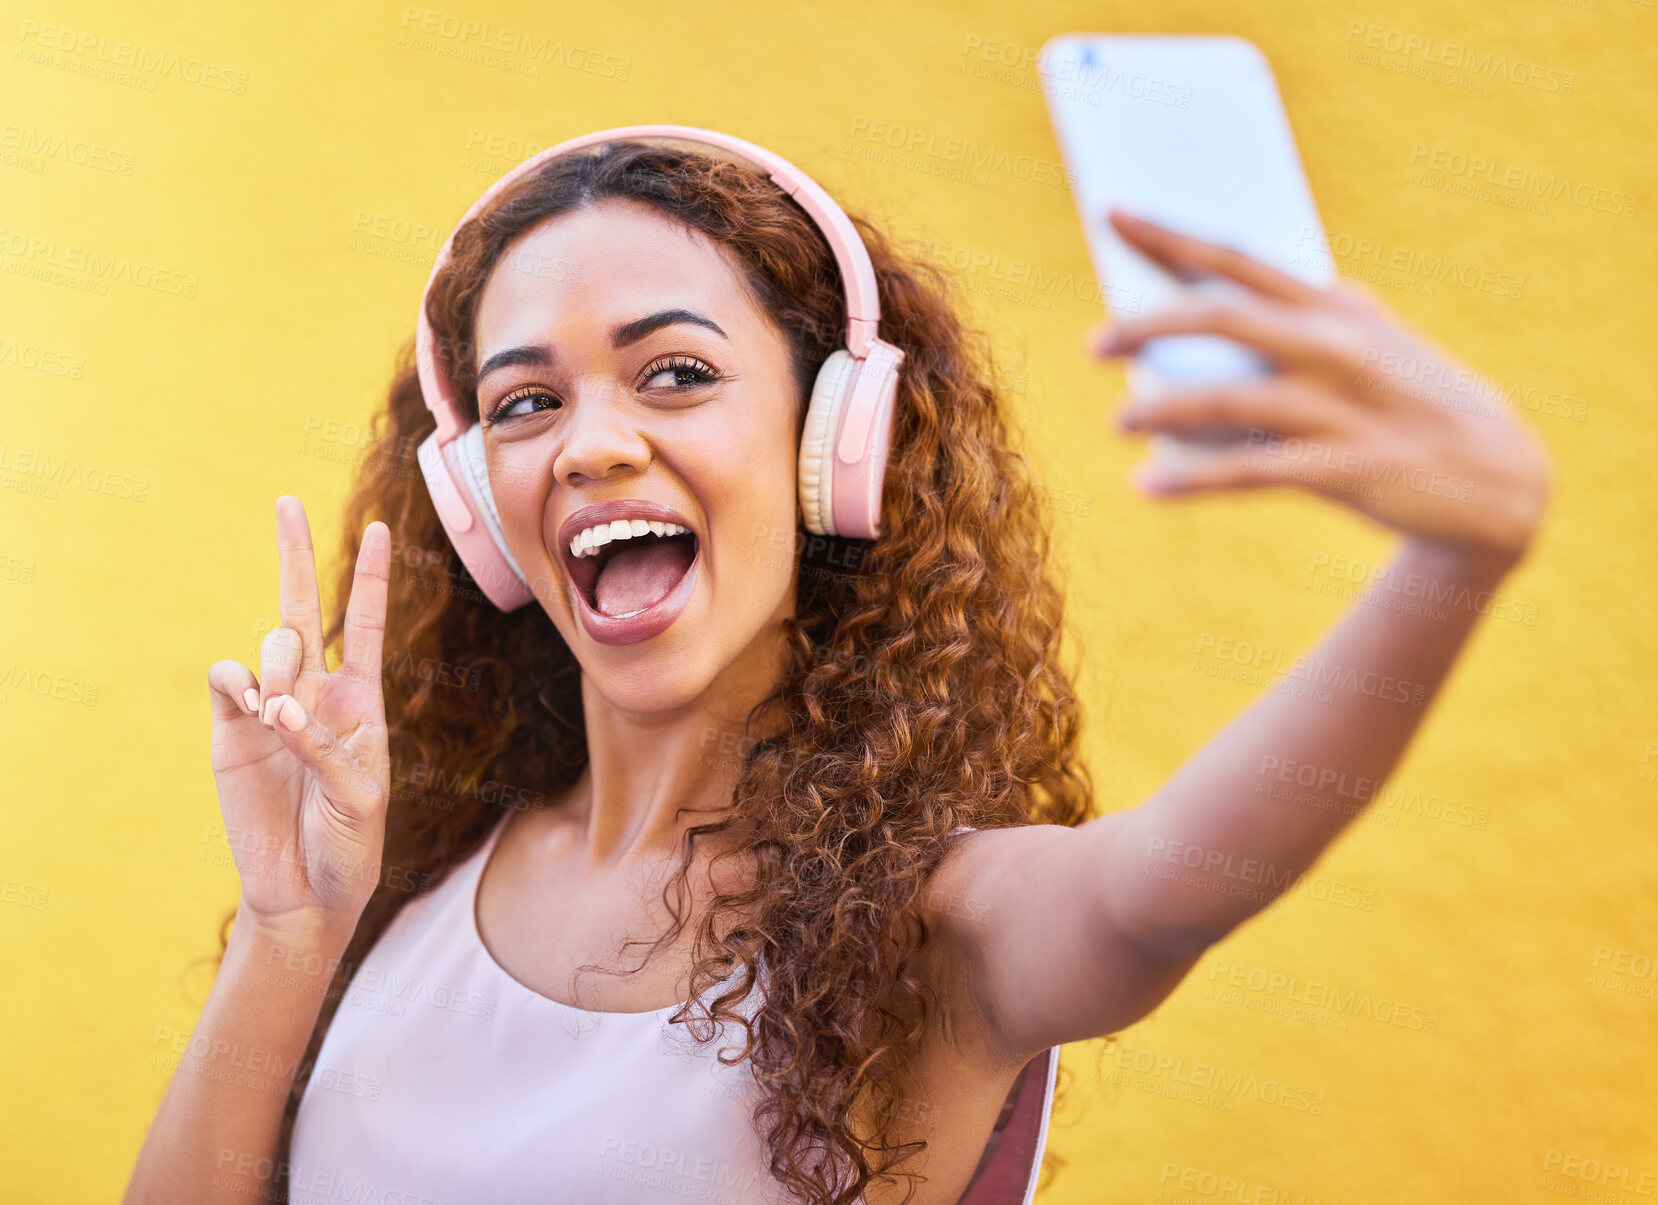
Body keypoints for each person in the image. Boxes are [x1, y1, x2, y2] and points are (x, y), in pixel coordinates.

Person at [122, 132, 1550, 1205]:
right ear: (480, 505)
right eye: (523, 403)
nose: (589, 443)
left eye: (673, 373)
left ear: (833, 446)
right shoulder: (397, 881)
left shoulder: (934, 928)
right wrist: (291, 928)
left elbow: (1153, 888)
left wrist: (1450, 563)